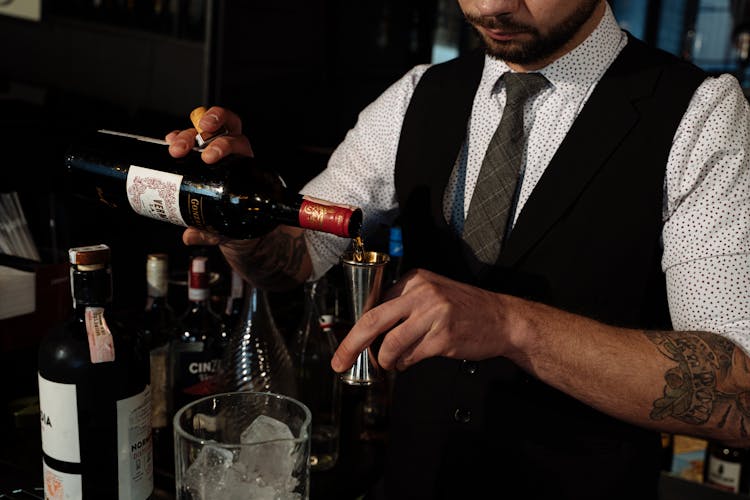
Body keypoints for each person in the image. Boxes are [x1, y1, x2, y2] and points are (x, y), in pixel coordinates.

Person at [166, 1, 750, 498]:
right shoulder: (418, 95)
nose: (489, 6)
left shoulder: (701, 116)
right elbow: (294, 258)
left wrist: (511, 324)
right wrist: (240, 218)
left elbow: (739, 389)